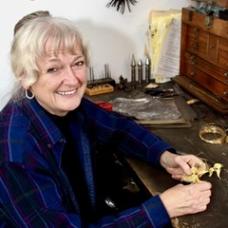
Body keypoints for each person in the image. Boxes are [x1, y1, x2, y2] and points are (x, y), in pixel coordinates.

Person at [0, 13, 212, 227]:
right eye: (53, 69)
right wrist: (163, 208)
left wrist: (164, 156)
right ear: (26, 77)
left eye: (78, 63)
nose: (72, 79)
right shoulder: (16, 153)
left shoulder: (66, 105)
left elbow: (118, 128)